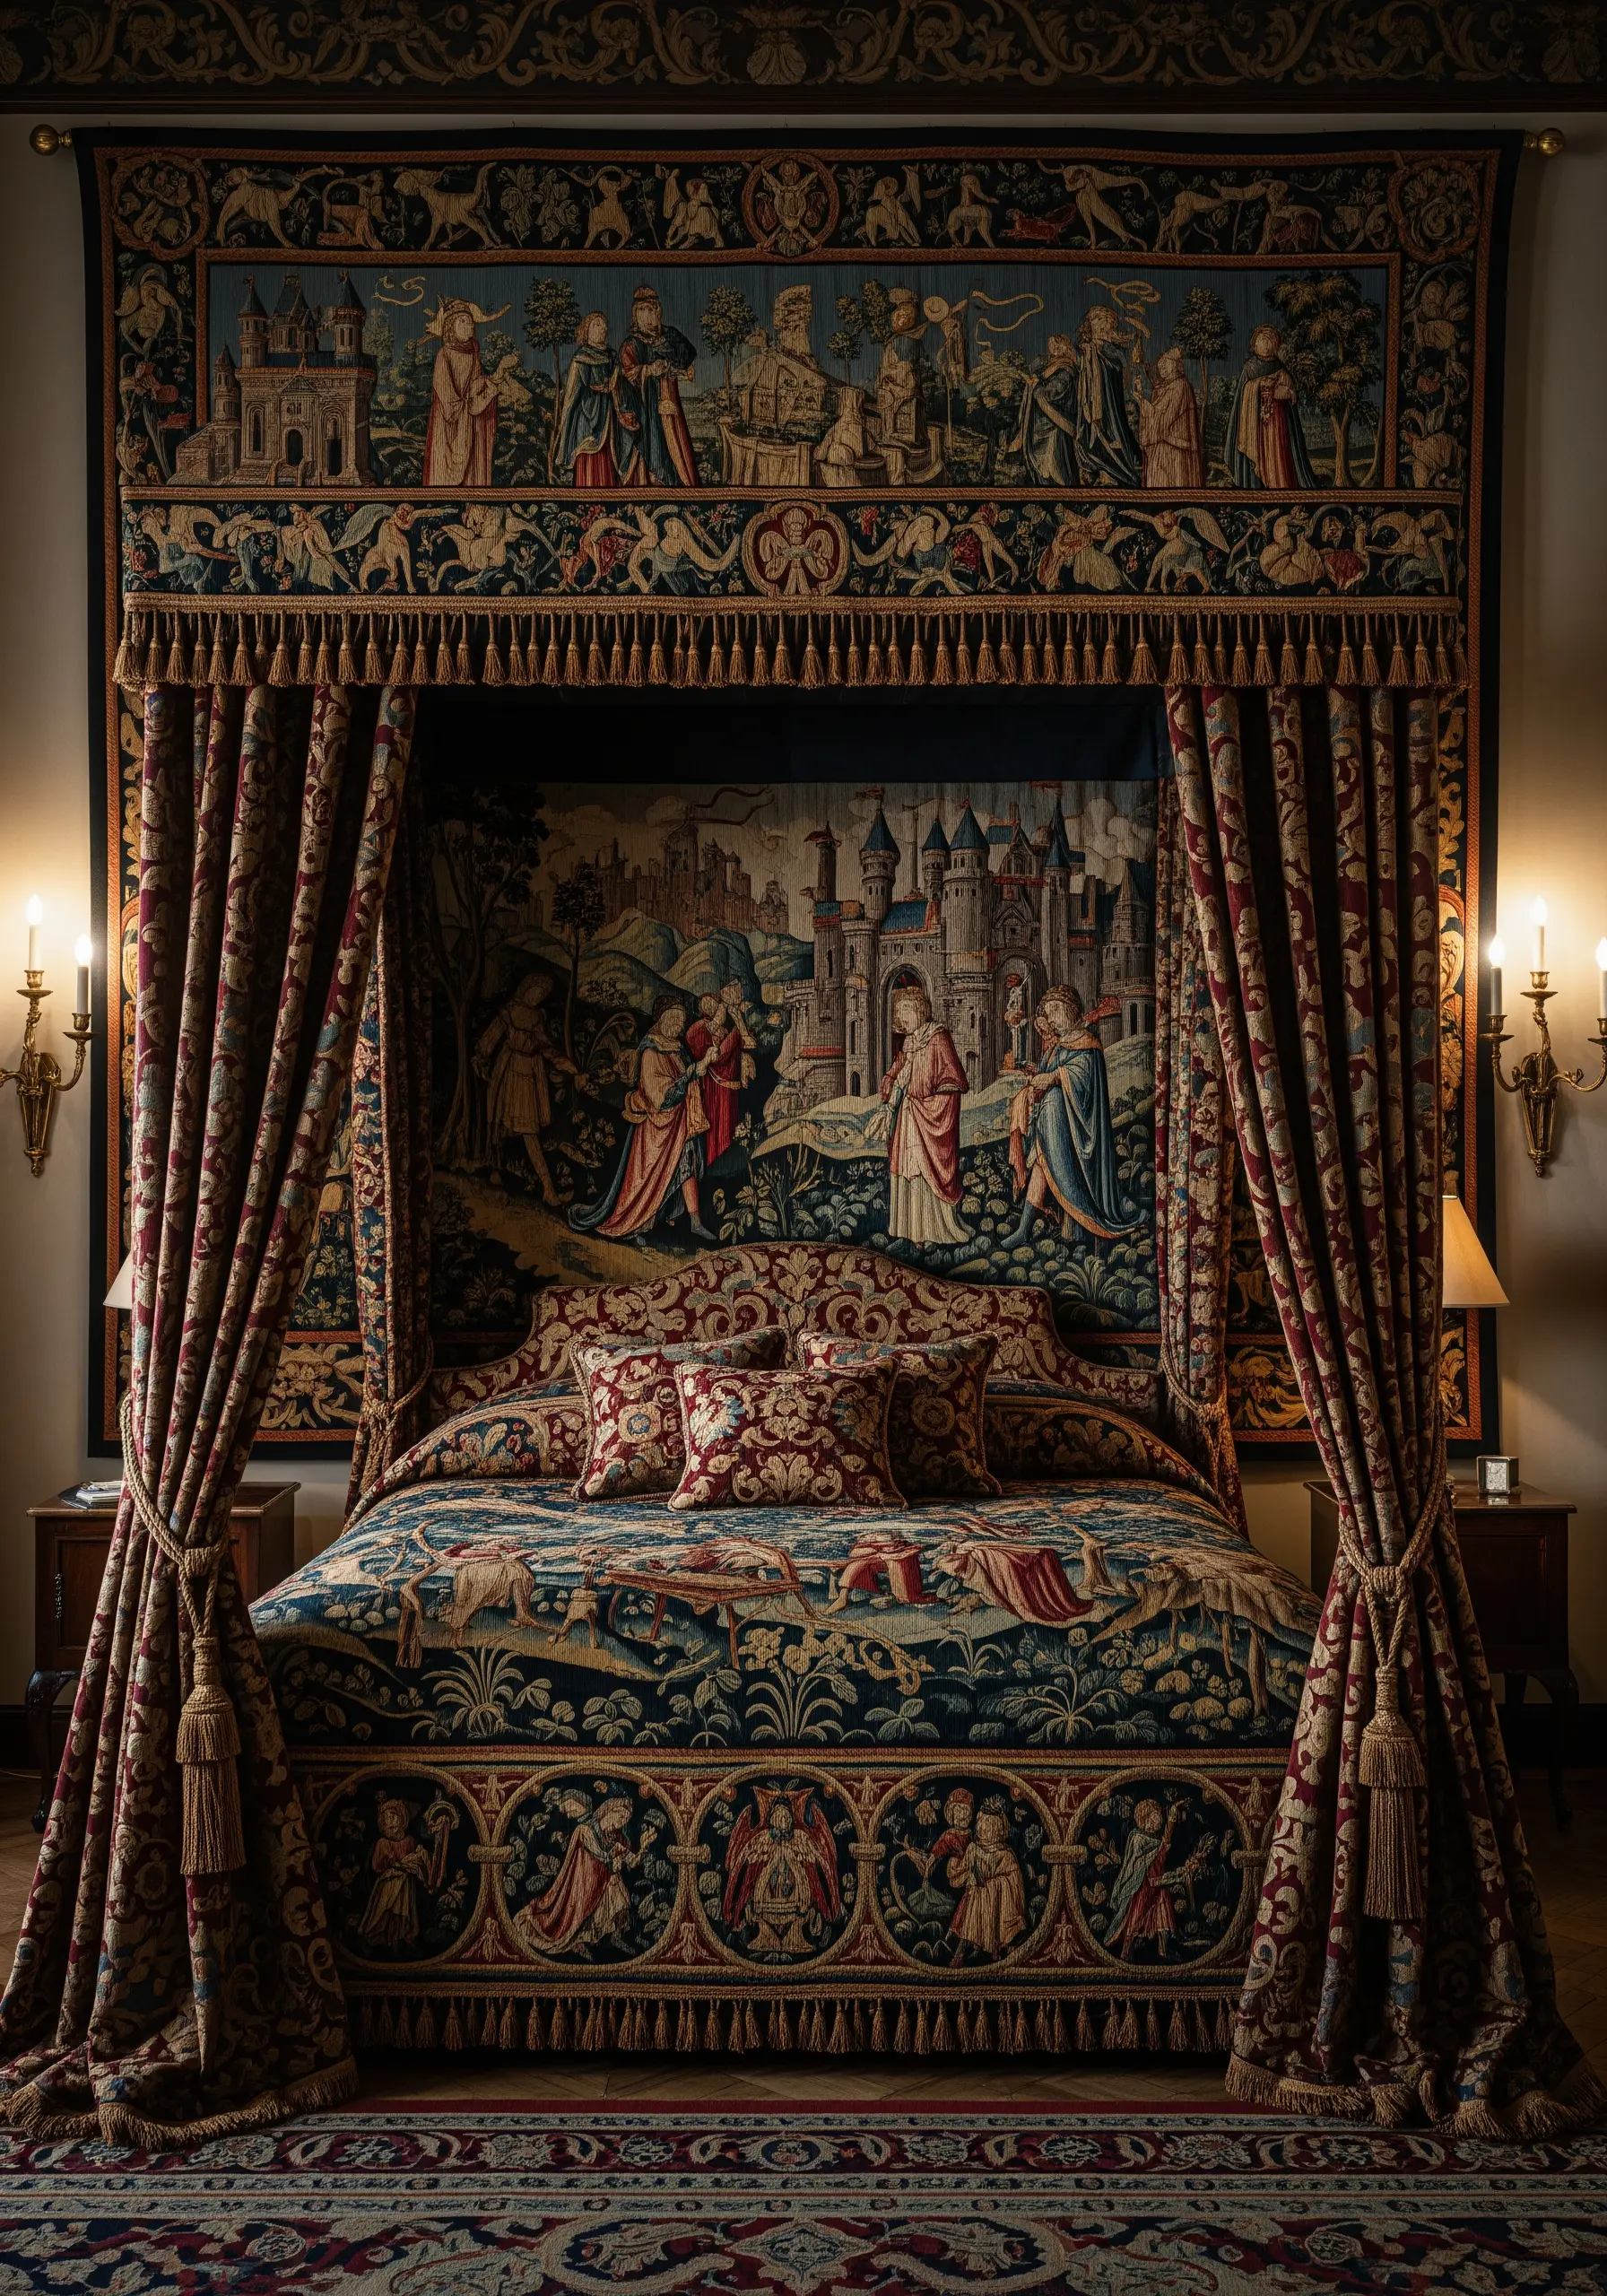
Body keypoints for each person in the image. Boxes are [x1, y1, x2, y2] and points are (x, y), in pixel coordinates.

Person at [571, 996, 716, 1242]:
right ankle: (638, 1224)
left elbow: (688, 1083)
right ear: (660, 1020)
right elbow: (660, 1097)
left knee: (687, 1168)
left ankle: (695, 1222)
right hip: (656, 1130)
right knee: (649, 1179)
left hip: (681, 1124)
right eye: (673, 1019)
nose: (678, 1025)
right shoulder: (650, 1051)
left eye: (681, 1020)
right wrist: (693, 1072)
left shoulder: (679, 1049)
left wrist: (697, 1071)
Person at [1004, 985, 1139, 1247]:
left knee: (1052, 1162)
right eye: (1049, 1012)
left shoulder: (1087, 1044)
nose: (1052, 1017)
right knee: (1042, 1165)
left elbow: (1082, 1079)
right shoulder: (1058, 1047)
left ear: (1070, 1011)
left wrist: (1054, 1077)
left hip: (1079, 1135)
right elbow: (1047, 1073)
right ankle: (1024, 1230)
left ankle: (1066, 1231)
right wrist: (1039, 1076)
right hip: (1054, 1129)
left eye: (1055, 1010)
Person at [877, 982, 969, 1248]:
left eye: (907, 1010)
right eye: (899, 1012)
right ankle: (909, 1232)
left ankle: (933, 1232)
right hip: (908, 1119)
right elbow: (896, 1073)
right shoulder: (909, 1043)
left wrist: (928, 1103)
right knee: (908, 1170)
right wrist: (890, 1082)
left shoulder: (938, 1038)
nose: (903, 1017)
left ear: (920, 1009)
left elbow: (953, 1081)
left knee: (924, 1170)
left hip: (928, 1118)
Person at [473, 972, 574, 1205]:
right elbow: (490, 1039)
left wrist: (566, 1064)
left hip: (530, 1075)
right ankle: (496, 1169)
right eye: (536, 990)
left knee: (528, 1130)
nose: (539, 996)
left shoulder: (538, 1017)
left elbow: (546, 1046)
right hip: (508, 1070)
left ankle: (547, 1188)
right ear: (526, 988)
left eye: (543, 994)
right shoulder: (509, 1011)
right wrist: (481, 1057)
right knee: (501, 1121)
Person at [517, 1793, 648, 1955]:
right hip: (582, 1884)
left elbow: (634, 1862)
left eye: (625, 1821)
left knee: (620, 1895)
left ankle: (614, 1937)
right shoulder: (584, 1830)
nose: (620, 1823)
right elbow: (601, 1854)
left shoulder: (614, 1838)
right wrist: (615, 1856)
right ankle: (579, 1939)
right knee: (576, 1915)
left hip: (602, 1883)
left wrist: (643, 1848)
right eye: (620, 1817)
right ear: (608, 1811)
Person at [422, 295, 510, 486]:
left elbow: (476, 384)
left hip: (471, 423)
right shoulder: (444, 355)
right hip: (449, 429)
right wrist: (477, 400)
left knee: (474, 472)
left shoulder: (473, 354)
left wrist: (499, 372)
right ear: (451, 325)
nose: (469, 326)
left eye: (470, 322)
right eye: (463, 321)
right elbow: (449, 402)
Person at [617, 283, 699, 486]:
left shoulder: (669, 335)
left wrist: (667, 354)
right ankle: (652, 480)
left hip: (669, 400)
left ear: (658, 311)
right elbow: (626, 375)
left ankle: (677, 481)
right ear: (636, 315)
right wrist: (648, 370)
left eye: (652, 310)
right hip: (645, 406)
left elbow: (688, 355)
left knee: (674, 443)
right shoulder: (631, 344)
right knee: (652, 440)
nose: (649, 315)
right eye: (643, 310)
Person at [1226, 323, 1317, 488]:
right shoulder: (1250, 367)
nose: (1265, 342)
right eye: (1261, 338)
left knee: (1278, 454)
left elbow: (1291, 392)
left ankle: (1280, 485)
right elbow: (1243, 394)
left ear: (1276, 344)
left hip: (1278, 422)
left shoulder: (1279, 366)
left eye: (1269, 338)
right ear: (1254, 344)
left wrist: (1287, 392)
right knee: (1262, 452)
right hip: (1255, 425)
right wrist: (1261, 384)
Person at [684, 981, 754, 1176]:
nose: (711, 1006)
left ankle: (728, 1166)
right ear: (701, 1011)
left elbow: (749, 1042)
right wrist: (733, 1031)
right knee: (715, 1129)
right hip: (711, 1089)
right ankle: (714, 1166)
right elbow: (718, 1055)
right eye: (706, 1004)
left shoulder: (724, 1030)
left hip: (729, 1089)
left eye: (713, 1002)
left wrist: (738, 1021)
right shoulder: (697, 1029)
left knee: (730, 1127)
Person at [947, 1798, 1028, 1961]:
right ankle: (964, 1950)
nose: (982, 1829)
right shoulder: (973, 1849)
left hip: (997, 1902)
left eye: (988, 1825)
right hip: (975, 1899)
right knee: (975, 1900)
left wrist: (993, 1884)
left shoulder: (1005, 1854)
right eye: (980, 1822)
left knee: (982, 1895)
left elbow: (1014, 1883)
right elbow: (959, 1874)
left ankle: (991, 1948)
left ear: (998, 1829)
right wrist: (958, 1868)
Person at [554, 310, 626, 487]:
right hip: (586, 417)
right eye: (597, 324)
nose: (603, 328)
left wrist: (614, 384)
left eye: (604, 325)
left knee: (608, 459)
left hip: (608, 415)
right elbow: (571, 393)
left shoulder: (612, 356)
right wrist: (564, 422)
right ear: (587, 330)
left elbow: (621, 383)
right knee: (588, 458)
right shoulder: (581, 358)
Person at [1073, 304, 1142, 485]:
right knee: (1096, 435)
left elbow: (1121, 375)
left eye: (1107, 323)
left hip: (1111, 403)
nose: (1104, 327)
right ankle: (1099, 469)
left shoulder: (1111, 351)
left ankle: (1114, 471)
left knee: (1114, 431)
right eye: (1099, 322)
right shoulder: (1088, 350)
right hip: (1094, 402)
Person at [1011, 333, 1081, 485]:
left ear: (1064, 347)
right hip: (1040, 424)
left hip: (1056, 425)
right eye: (1051, 345)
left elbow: (1052, 394)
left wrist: (1036, 386)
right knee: (1039, 466)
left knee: (1054, 463)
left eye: (1056, 345)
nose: (1052, 349)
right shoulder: (1049, 366)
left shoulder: (1066, 369)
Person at [1134, 346, 1203, 489]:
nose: (1162, 368)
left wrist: (1141, 402)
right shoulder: (1163, 388)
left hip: (1173, 448)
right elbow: (1157, 414)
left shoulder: (1180, 386)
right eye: (1160, 365)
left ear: (1177, 365)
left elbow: (1164, 418)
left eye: (1167, 363)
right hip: (1162, 446)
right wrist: (1141, 399)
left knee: (1172, 484)